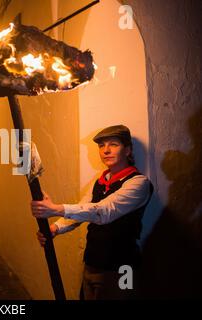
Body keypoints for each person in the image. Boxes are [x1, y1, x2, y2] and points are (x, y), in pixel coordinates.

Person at [31, 125, 153, 300]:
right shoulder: (100, 182)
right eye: (101, 146)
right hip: (93, 263)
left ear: (127, 150)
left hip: (121, 268)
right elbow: (83, 209)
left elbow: (102, 211)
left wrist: (56, 208)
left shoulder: (139, 183)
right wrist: (55, 228)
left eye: (113, 144)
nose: (106, 150)